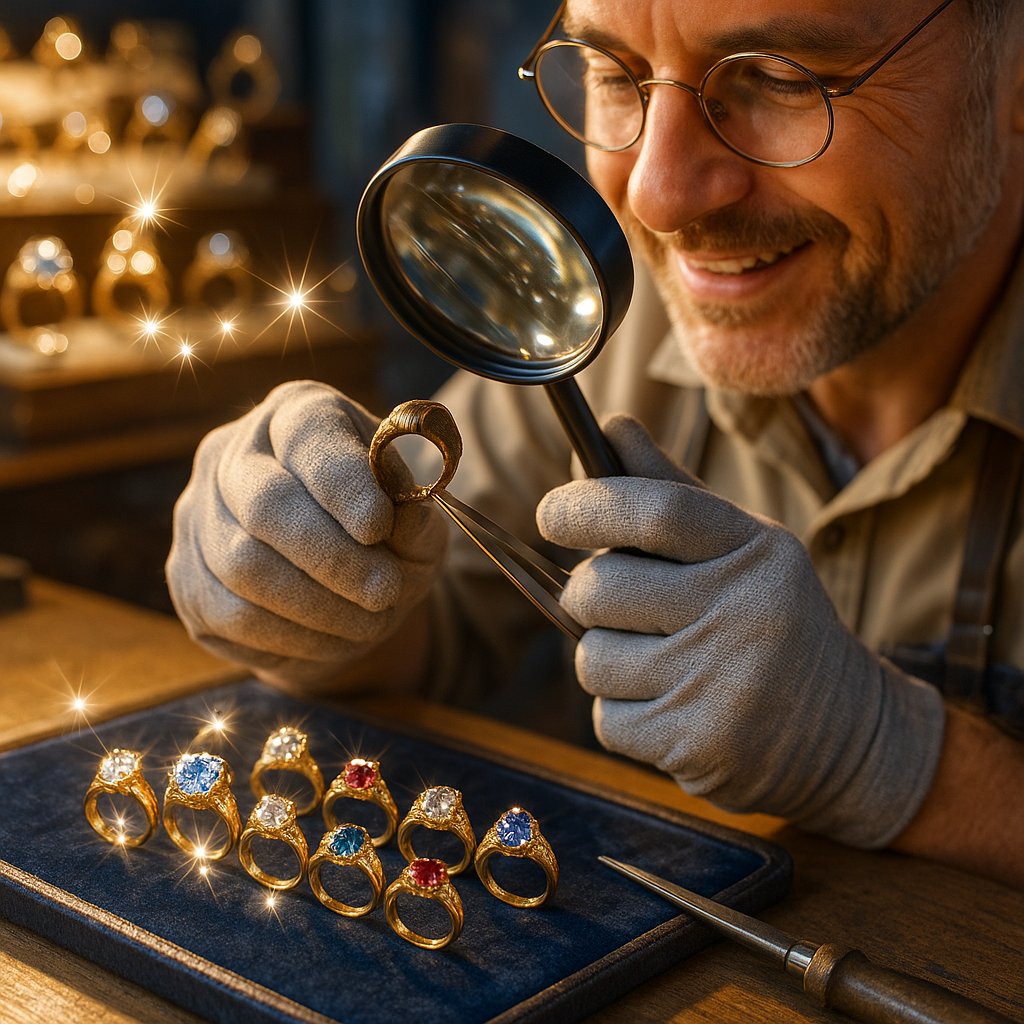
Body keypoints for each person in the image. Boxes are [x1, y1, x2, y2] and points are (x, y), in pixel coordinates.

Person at [166, 0, 1024, 888]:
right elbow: (432, 626)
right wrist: (295, 575)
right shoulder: (621, 318)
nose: (657, 196)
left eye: (780, 79)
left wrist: (899, 763)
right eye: (616, 76)